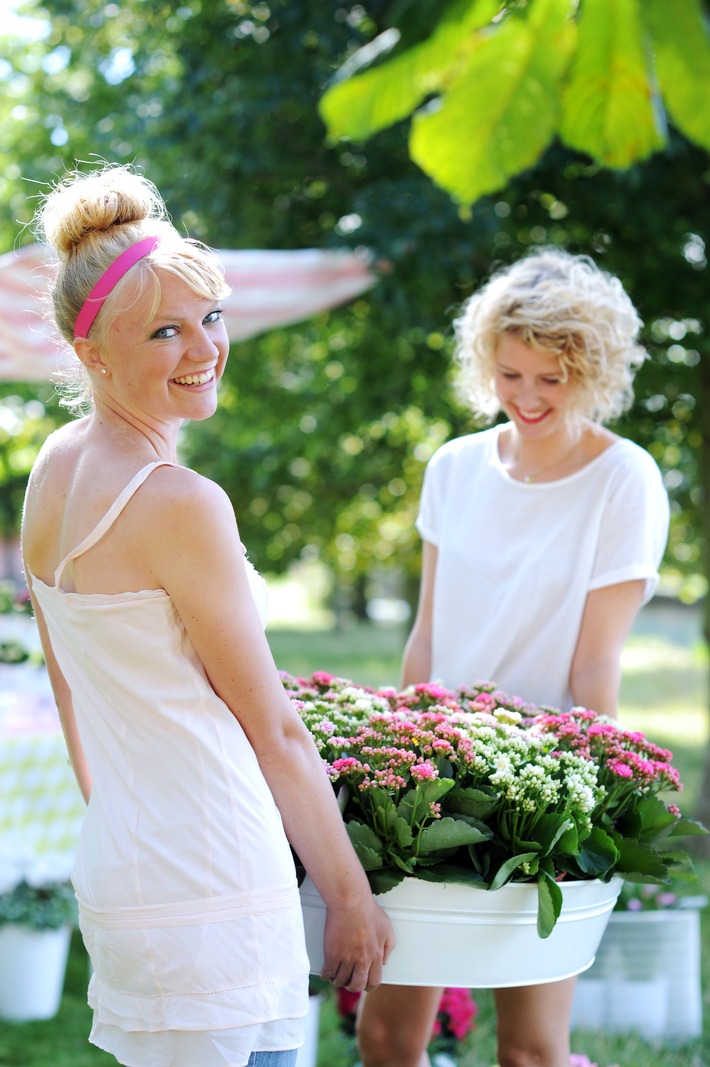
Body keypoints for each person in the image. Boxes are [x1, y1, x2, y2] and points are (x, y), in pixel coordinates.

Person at [20, 163, 394, 1067]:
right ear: (91, 351)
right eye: (164, 331)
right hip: (215, 870)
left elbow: (71, 690)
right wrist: (349, 893)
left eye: (210, 317)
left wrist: (124, 830)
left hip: (126, 857)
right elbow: (273, 729)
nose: (204, 349)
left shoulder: (54, 468)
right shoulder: (178, 499)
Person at [356, 249, 670, 1067]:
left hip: (541, 793)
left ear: (594, 374)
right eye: (510, 373)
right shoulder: (453, 467)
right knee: (386, 1038)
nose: (527, 397)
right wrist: (397, 764)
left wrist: (587, 806)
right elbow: (425, 635)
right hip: (435, 783)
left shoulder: (623, 480)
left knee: (530, 1053)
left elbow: (595, 666)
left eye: (552, 379)